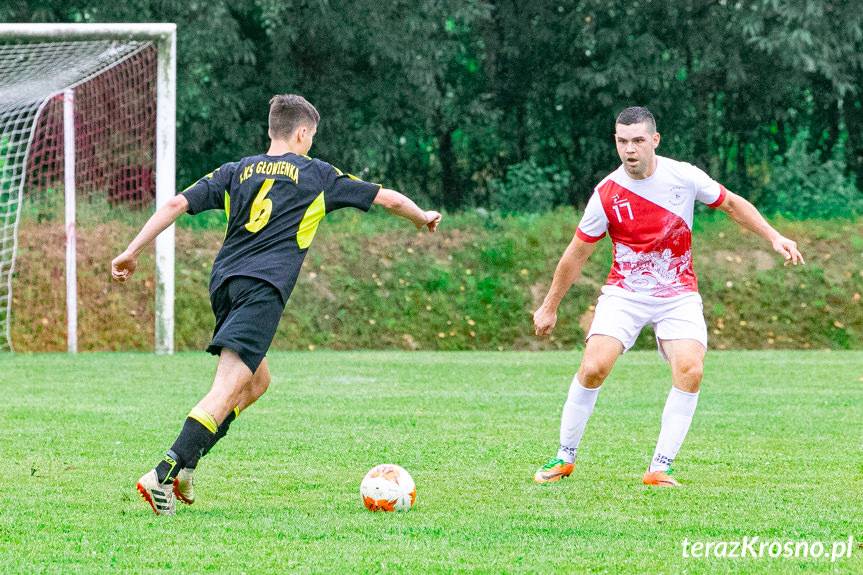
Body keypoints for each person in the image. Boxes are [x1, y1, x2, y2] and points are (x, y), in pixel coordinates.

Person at [112, 94, 442, 514]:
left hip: (225, 286)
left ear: (272, 130)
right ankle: (163, 473)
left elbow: (178, 203)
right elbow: (388, 199)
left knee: (257, 382)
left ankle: (189, 465)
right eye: (312, 137)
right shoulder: (317, 174)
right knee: (226, 388)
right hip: (262, 290)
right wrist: (422, 216)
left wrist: (131, 250)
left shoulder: (236, 170)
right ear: (303, 133)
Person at [532, 106, 803, 487]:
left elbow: (731, 204)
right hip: (625, 292)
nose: (630, 150)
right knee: (594, 366)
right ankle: (564, 456)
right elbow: (577, 253)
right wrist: (549, 305)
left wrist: (775, 236)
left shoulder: (684, 176)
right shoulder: (607, 194)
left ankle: (660, 466)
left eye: (638, 141)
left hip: (677, 293)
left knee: (690, 368)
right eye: (622, 141)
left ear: (654, 140)